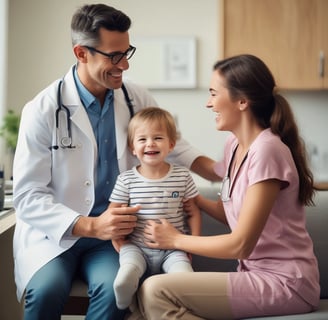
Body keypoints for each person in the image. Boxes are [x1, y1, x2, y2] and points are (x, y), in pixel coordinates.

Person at [12, 4, 217, 320]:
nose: (124, 65)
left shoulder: (136, 98)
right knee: (46, 291)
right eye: (114, 56)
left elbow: (175, 147)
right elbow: (28, 196)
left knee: (114, 293)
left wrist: (225, 170)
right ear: (82, 53)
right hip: (54, 235)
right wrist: (91, 225)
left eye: (127, 52)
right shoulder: (42, 110)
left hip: (113, 237)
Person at [136, 54, 320, 319]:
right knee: (142, 303)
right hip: (255, 276)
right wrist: (196, 198)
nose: (208, 103)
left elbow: (241, 244)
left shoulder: (267, 151)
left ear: (242, 101)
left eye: (213, 93)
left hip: (286, 282)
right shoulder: (234, 146)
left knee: (156, 291)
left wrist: (175, 239)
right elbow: (236, 213)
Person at [110, 107, 201, 310]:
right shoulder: (126, 180)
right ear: (133, 147)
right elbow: (113, 214)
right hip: (136, 247)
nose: (150, 143)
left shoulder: (182, 176)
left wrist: (192, 242)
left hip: (173, 249)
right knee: (127, 273)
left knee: (187, 279)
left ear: (171, 144)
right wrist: (119, 242)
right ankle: (127, 302)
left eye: (157, 138)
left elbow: (193, 212)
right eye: (142, 139)